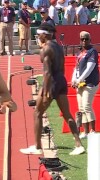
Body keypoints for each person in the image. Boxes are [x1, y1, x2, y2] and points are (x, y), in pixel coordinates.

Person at [20, 24, 85, 156]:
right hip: (61, 80)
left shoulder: (46, 49)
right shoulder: (59, 47)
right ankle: (79, 145)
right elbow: (61, 67)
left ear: (46, 34)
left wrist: (46, 90)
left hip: (52, 82)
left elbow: (47, 73)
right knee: (67, 114)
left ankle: (37, 147)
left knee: (37, 112)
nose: (38, 37)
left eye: (39, 34)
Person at [72, 31, 98, 137]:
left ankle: (93, 131)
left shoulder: (93, 51)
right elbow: (76, 68)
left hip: (90, 83)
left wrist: (79, 79)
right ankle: (85, 132)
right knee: (81, 107)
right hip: (80, 83)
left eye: (86, 39)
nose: (84, 41)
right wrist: (74, 79)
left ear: (90, 40)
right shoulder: (79, 53)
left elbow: (90, 68)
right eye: (82, 39)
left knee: (87, 106)